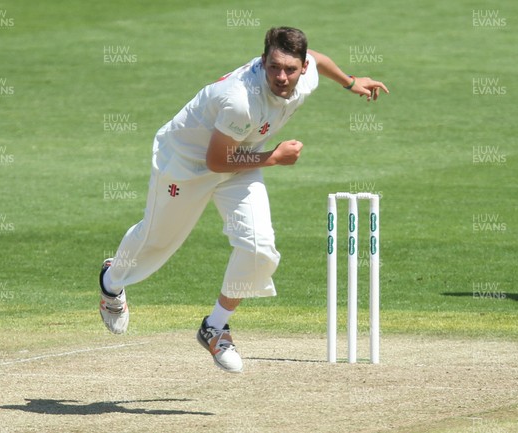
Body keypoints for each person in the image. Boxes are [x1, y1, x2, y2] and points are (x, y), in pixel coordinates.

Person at [99, 26, 388, 373]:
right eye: (274, 67)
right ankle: (111, 282)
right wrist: (275, 158)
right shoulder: (240, 101)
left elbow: (320, 60)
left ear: (302, 68)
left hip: (241, 158)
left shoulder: (306, 71)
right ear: (263, 61)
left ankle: (215, 327)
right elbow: (215, 162)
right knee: (158, 241)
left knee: (259, 248)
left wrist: (350, 81)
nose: (282, 77)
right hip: (185, 163)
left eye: (291, 69)